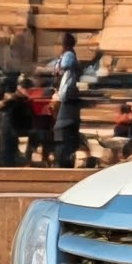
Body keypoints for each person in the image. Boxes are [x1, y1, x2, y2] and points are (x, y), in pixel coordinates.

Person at [49, 32, 87, 168]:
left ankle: (63, 160)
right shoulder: (67, 56)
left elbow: (63, 67)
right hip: (65, 98)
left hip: (66, 97)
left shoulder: (69, 55)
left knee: (63, 132)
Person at [0, 74, 32, 168]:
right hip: (9, 116)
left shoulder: (26, 80)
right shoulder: (8, 80)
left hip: (20, 117)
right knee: (6, 146)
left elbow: (27, 93)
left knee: (18, 145)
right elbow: (2, 97)